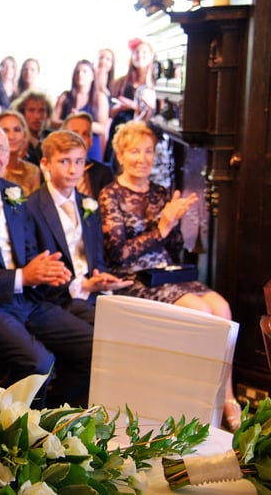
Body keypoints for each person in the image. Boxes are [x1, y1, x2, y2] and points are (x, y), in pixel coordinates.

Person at [99, 120, 241, 431]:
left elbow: (174, 249)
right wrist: (161, 228)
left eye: (148, 151)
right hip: (133, 276)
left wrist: (175, 221)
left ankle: (227, 397)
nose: (143, 158)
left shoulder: (161, 192)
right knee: (200, 310)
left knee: (221, 307)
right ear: (120, 155)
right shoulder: (111, 195)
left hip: (166, 271)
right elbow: (116, 254)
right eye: (135, 151)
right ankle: (197, 402)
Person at [0, 120, 93, 408]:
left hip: (27, 300)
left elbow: (28, 251)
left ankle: (55, 415)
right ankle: (15, 427)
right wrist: (22, 277)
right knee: (39, 362)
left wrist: (46, 270)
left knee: (93, 348)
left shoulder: (13, 192)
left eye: (0, 149)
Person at [25, 130, 130, 322]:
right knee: (117, 326)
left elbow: (97, 258)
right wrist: (81, 286)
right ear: (46, 164)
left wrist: (101, 278)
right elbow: (35, 270)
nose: (73, 170)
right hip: (58, 300)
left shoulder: (88, 204)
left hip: (93, 295)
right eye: (64, 161)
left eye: (79, 161)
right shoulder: (31, 208)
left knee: (137, 321)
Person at [104, 39, 155, 164]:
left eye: (144, 52)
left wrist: (134, 106)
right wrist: (119, 108)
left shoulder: (154, 84)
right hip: (118, 130)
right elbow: (110, 112)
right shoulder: (120, 82)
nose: (139, 55)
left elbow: (154, 115)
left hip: (139, 135)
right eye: (136, 52)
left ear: (151, 57)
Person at [51, 59, 110, 161]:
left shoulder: (99, 98)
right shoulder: (65, 96)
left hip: (91, 149)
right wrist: (69, 123)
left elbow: (102, 128)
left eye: (84, 71)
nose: (80, 75)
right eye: (77, 72)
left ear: (92, 76)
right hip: (67, 147)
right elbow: (53, 121)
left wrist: (81, 122)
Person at [62, 112, 114, 199]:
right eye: (75, 133)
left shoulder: (103, 172)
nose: (80, 138)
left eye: (85, 134)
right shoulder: (53, 169)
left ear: (91, 141)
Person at [0, 110, 41, 196]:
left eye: (17, 130)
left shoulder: (33, 171)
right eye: (5, 131)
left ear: (24, 135)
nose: (12, 136)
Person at [11, 89, 52, 165]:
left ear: (47, 114)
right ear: (22, 113)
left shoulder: (52, 138)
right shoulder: (16, 140)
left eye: (41, 110)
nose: (37, 116)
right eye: (31, 110)